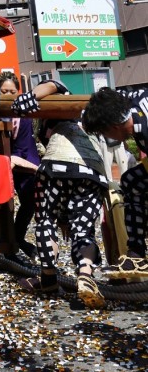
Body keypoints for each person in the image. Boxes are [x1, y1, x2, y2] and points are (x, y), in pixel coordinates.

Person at [13, 79, 109, 308]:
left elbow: (54, 84)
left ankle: (48, 277)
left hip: (57, 165)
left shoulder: (66, 105)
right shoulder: (83, 116)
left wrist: (32, 96)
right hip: (91, 170)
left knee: (45, 220)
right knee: (83, 228)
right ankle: (85, 274)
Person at [82, 86, 148, 278]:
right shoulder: (131, 101)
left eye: (103, 133)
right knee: (131, 181)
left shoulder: (144, 129)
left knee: (132, 181)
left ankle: (136, 251)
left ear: (113, 127)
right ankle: (136, 253)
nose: (106, 138)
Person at [0, 73, 40, 259]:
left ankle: (17, 239)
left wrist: (15, 161)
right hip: (1, 161)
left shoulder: (23, 116)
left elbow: (24, 146)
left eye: (13, 91)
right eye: (3, 91)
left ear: (19, 92)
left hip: (23, 159)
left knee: (30, 201)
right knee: (2, 206)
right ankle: (11, 244)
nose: (8, 95)